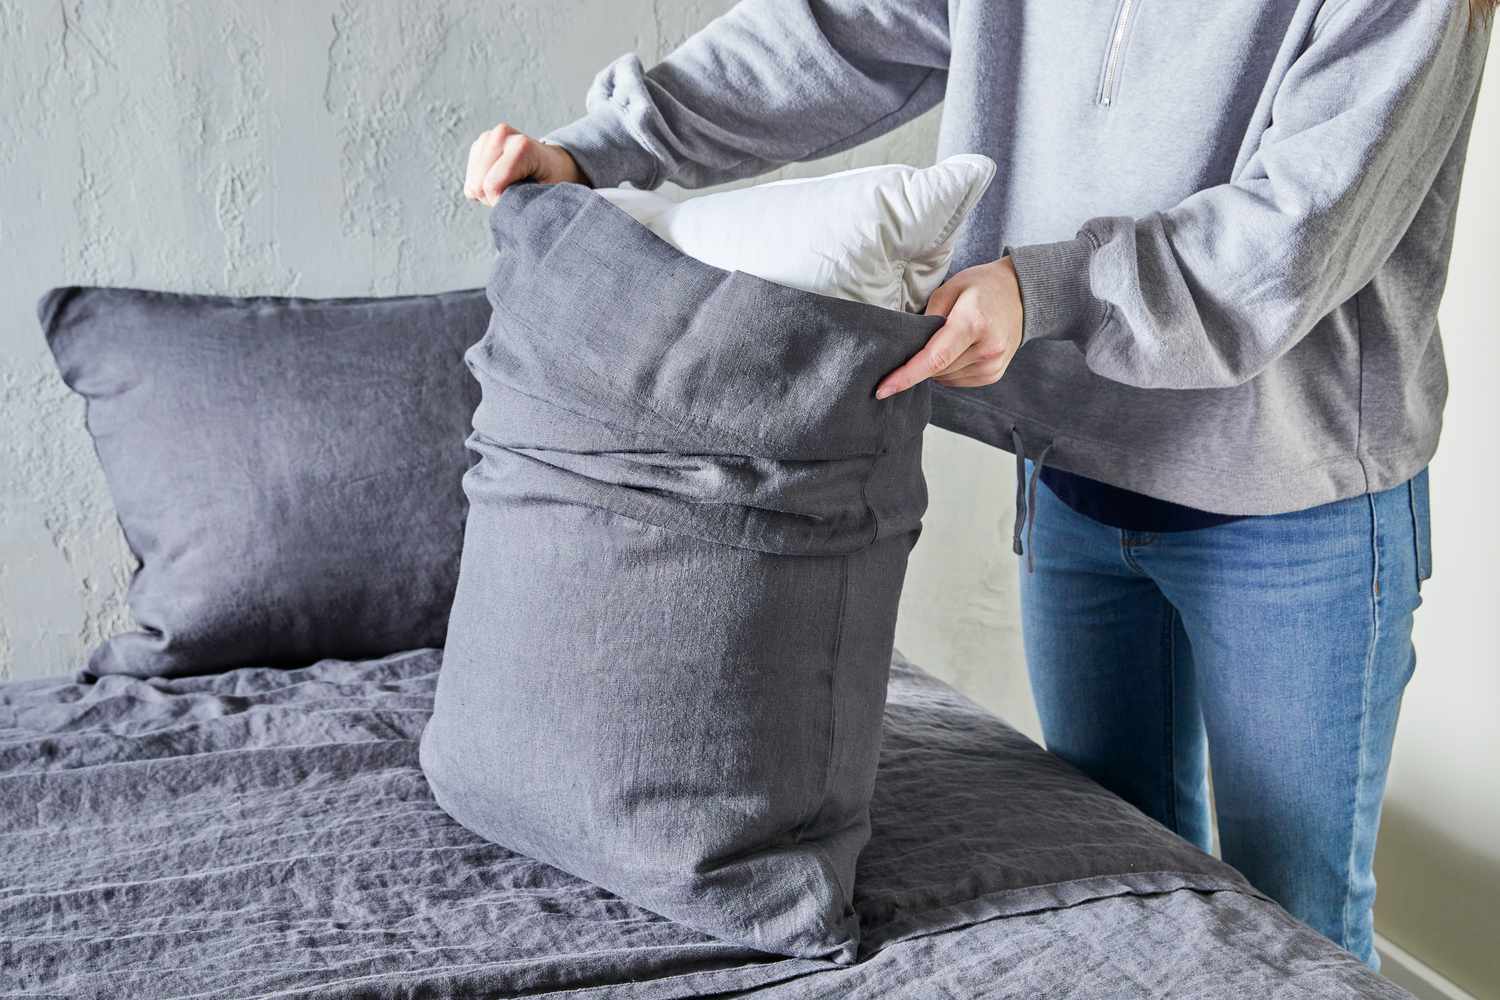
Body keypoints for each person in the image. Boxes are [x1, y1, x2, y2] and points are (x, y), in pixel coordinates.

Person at [460, 0, 1493, 970]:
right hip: (1080, 475)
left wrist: (1043, 289)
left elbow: (1289, 240)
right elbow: (840, 31)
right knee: (1119, 888)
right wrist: (600, 146)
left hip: (1295, 511)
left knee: (1295, 922)